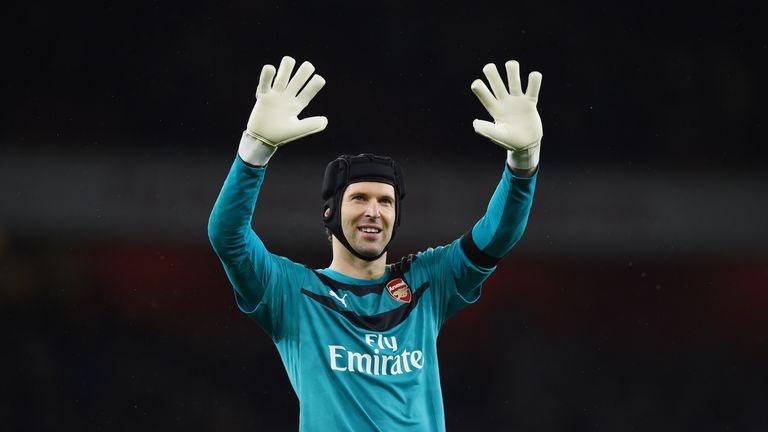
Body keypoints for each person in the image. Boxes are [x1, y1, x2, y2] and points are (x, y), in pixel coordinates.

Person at [208, 55, 543, 431]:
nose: (374, 211)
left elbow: (496, 237)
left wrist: (523, 164)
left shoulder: (427, 282)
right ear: (330, 213)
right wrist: (255, 151)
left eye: (385, 201)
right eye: (359, 198)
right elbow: (228, 237)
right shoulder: (292, 292)